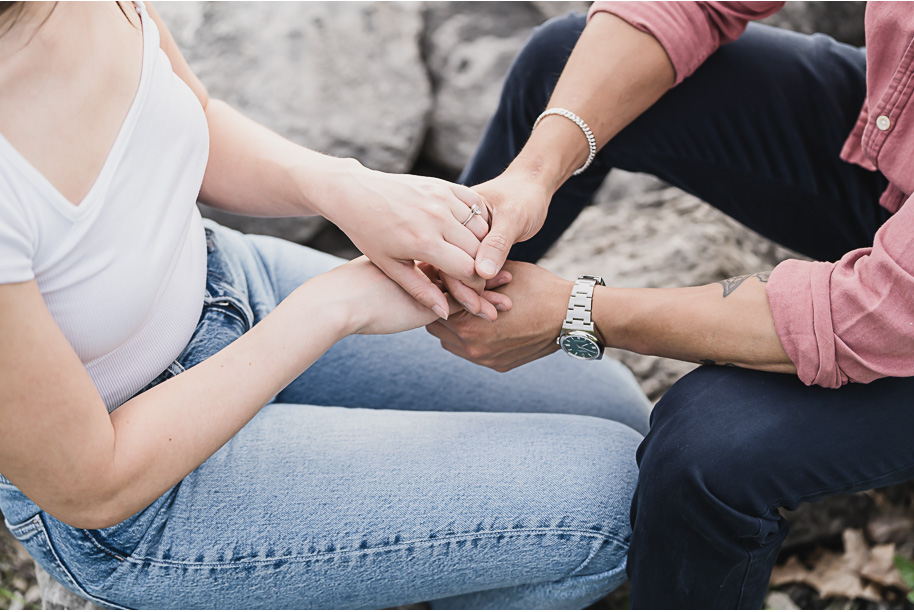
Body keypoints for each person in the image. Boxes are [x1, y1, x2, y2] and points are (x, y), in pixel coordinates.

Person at [0, 2, 652, 608]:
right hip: (138, 488)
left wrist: (341, 187)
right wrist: (331, 307)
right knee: (618, 501)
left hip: (225, 282)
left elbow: (188, 115)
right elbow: (93, 484)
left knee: (621, 410)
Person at [431, 1, 914, 608]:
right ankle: (437, 319)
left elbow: (875, 314)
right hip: (895, 144)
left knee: (708, 450)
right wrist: (534, 171)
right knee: (564, 63)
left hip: (899, 310)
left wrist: (576, 311)